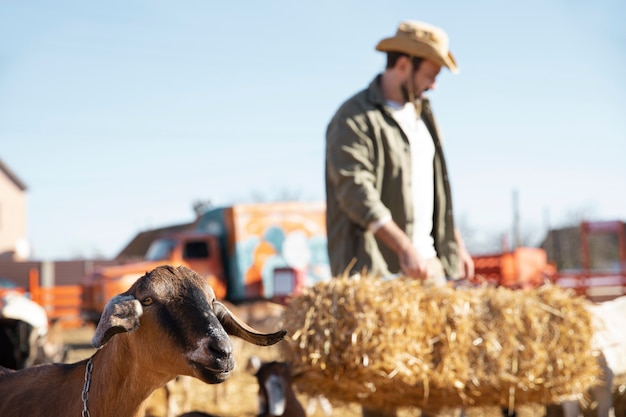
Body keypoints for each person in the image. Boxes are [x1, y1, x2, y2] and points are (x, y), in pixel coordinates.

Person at [324, 20, 474, 417]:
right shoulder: (353, 118)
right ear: (404, 64)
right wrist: (404, 247)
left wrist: (453, 239)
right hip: (378, 274)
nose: (435, 85)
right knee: (383, 391)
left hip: (431, 269)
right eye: (431, 74)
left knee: (438, 385)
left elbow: (433, 187)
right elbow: (357, 194)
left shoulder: (424, 115)